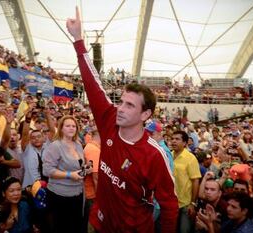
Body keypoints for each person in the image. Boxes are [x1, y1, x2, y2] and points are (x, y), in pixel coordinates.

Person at [67, 7, 178, 232]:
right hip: (97, 223)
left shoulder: (154, 155)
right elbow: (92, 84)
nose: (121, 108)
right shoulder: (109, 120)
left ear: (145, 115)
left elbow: (169, 205)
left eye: (130, 105)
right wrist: (79, 40)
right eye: (121, 101)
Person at [42, 115, 86, 233]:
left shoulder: (78, 144)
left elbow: (79, 166)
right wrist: (69, 175)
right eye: (68, 126)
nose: (71, 128)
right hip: (59, 195)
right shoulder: (55, 146)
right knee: (61, 227)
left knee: (75, 226)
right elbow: (46, 170)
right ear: (61, 128)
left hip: (77, 193)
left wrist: (86, 169)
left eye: (73, 126)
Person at [170, 130, 201, 233]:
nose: (173, 141)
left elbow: (195, 181)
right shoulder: (169, 155)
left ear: (184, 143)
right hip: (171, 202)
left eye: (177, 139)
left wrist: (192, 203)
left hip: (185, 204)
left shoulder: (190, 158)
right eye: (172, 139)